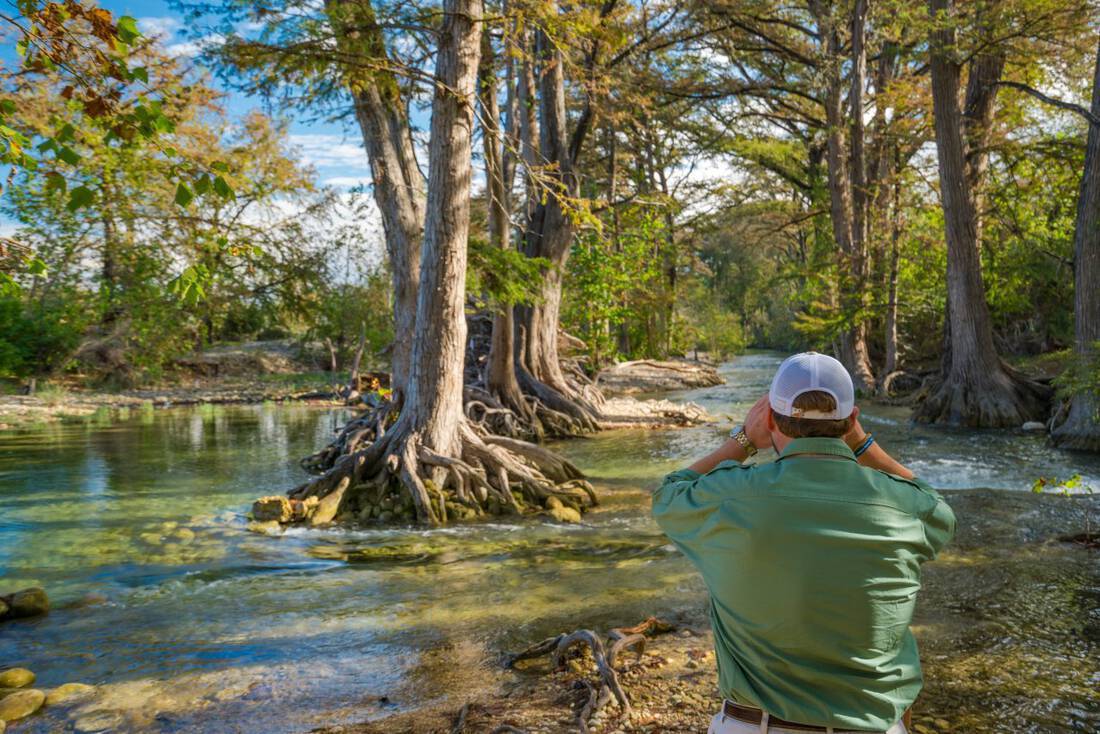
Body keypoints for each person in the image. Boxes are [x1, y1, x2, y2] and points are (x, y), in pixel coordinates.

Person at [652, 352, 955, 734]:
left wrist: (742, 442)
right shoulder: (905, 506)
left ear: (770, 420)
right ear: (852, 420)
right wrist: (863, 446)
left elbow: (667, 495)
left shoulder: (730, 497)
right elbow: (937, 506)